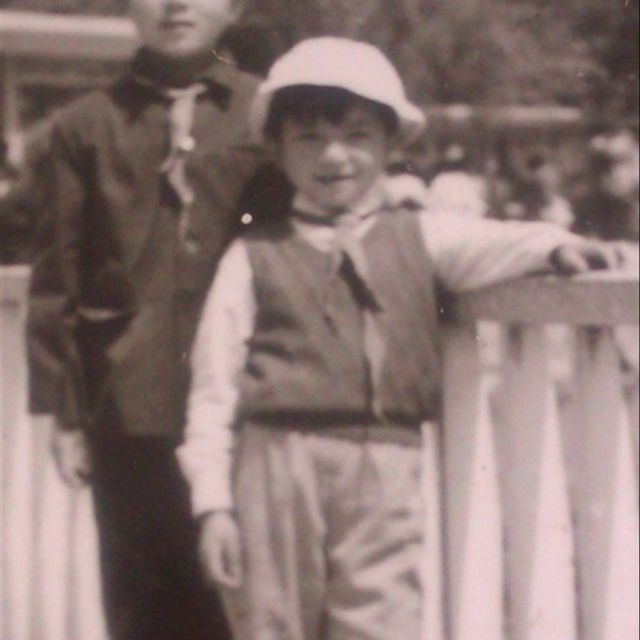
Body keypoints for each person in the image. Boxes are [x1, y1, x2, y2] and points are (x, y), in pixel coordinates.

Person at [177, 37, 614, 640]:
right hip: (275, 462)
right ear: (276, 148)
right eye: (309, 137)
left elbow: (495, 243)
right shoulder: (253, 256)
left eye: (358, 135)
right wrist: (213, 504)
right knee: (270, 620)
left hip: (385, 464)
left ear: (390, 145)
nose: (334, 155)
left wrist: (555, 247)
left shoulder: (420, 236)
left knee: (383, 620)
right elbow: (213, 386)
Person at [26, 1, 269, 638]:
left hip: (246, 401)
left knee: (247, 599)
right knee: (141, 602)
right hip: (127, 405)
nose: (176, 3)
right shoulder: (84, 126)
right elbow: (58, 277)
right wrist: (64, 412)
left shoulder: (269, 112)